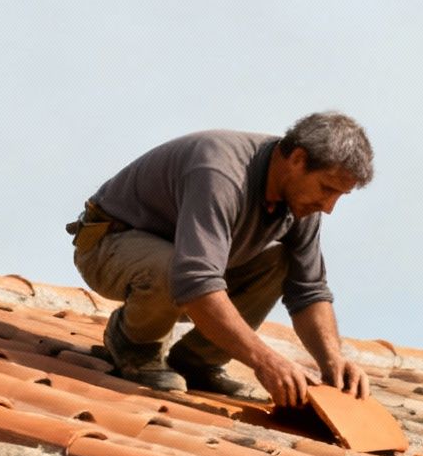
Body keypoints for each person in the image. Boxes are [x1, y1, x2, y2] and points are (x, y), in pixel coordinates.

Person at [68, 112, 373, 407]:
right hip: (108, 247)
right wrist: (264, 360)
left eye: (339, 196)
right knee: (176, 267)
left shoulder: (301, 202)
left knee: (281, 261)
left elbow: (308, 291)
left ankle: (198, 363)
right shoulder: (221, 172)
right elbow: (196, 280)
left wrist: (333, 360)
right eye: (327, 189)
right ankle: (133, 344)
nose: (329, 206)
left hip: (183, 266)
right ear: (297, 160)